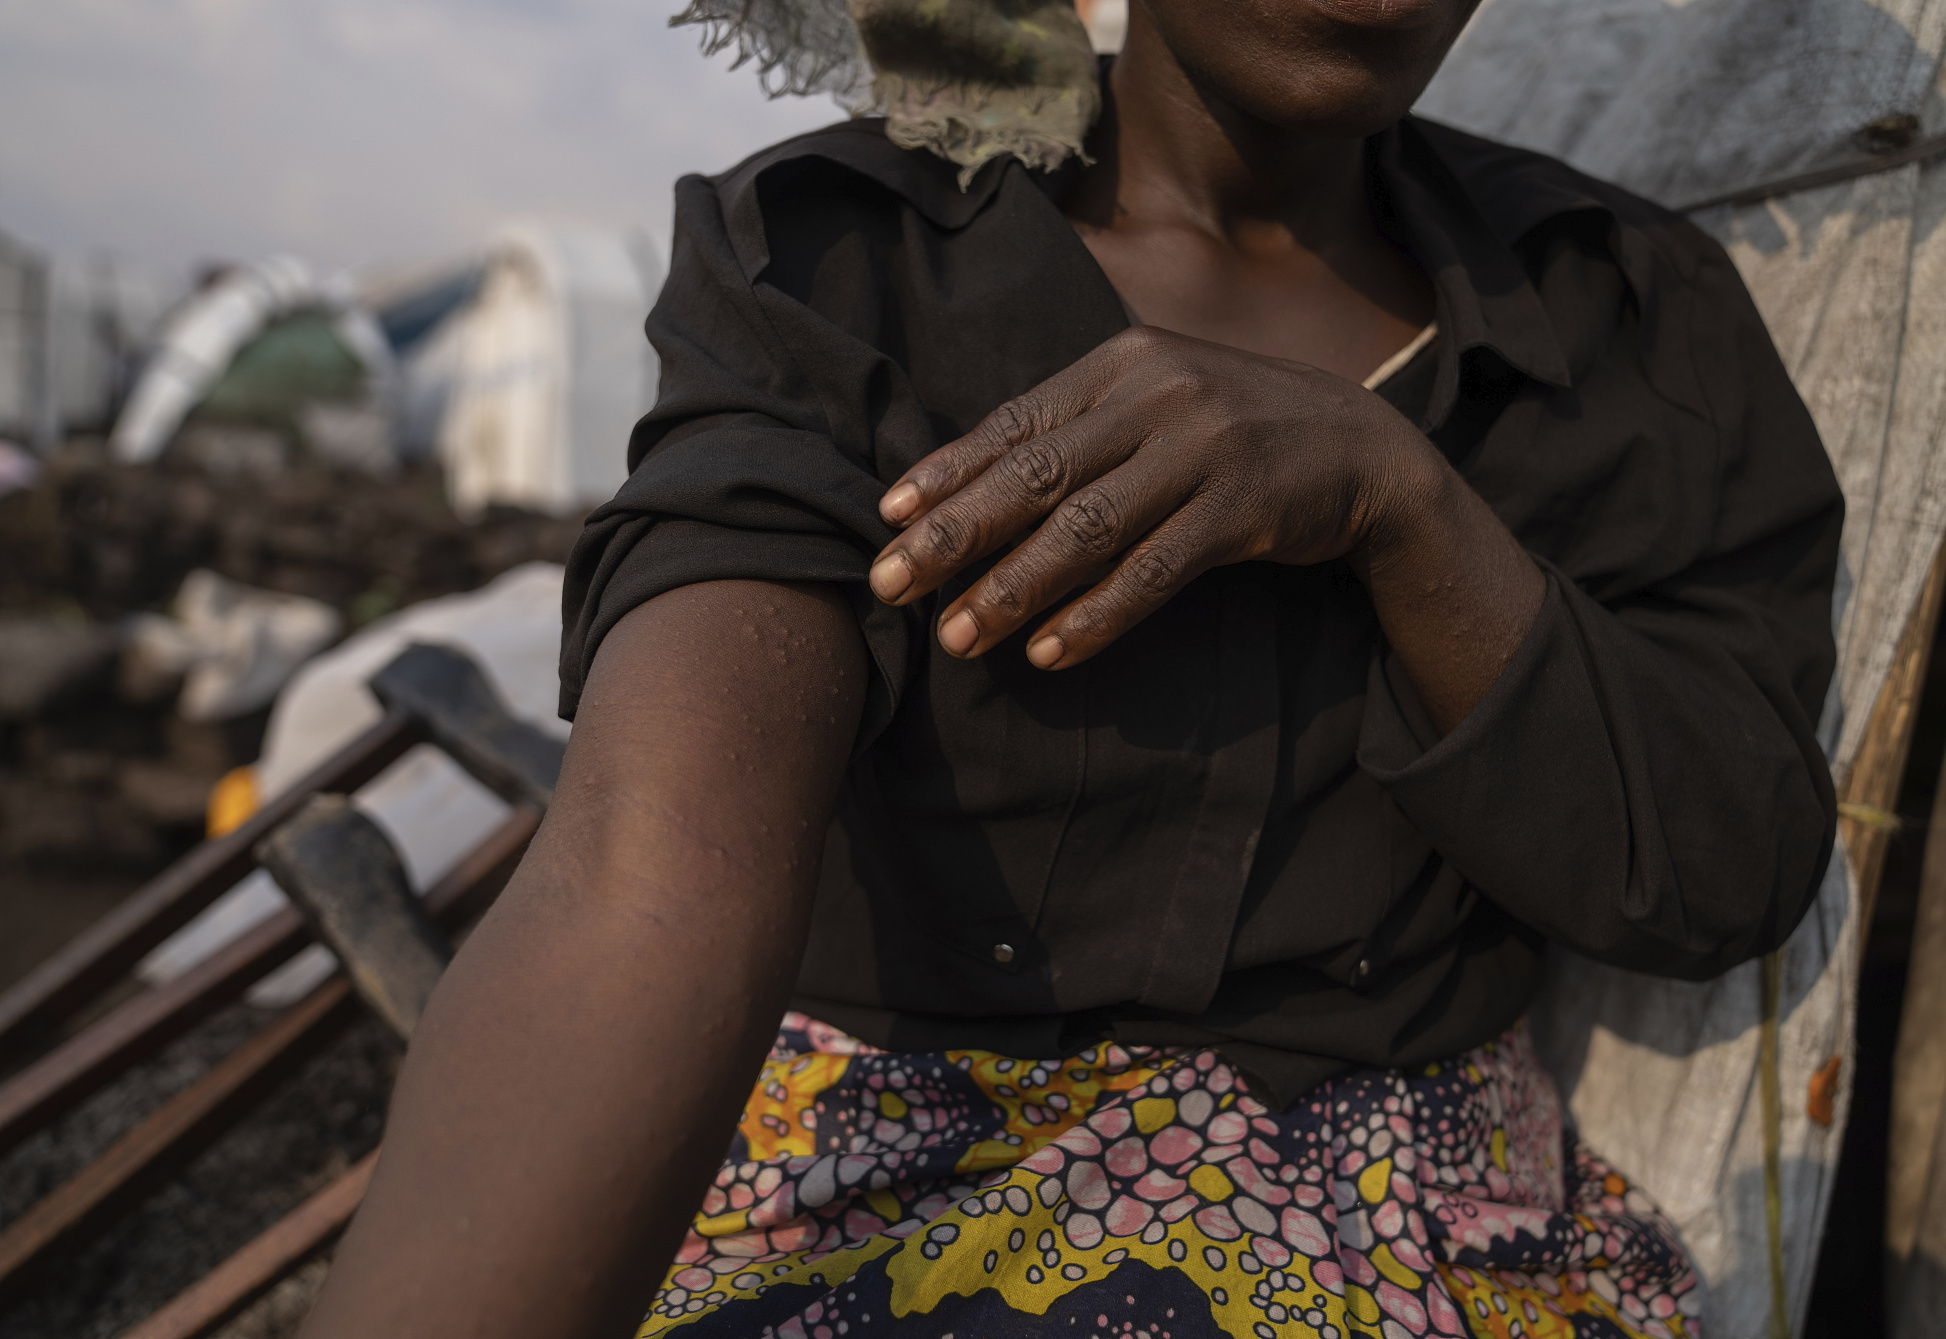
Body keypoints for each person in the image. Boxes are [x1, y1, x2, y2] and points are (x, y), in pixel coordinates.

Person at [300, 1, 1842, 1335]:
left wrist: (1400, 505)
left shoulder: (1627, 321)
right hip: (866, 1168)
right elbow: (648, 883)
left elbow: (1722, 869)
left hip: (1398, 1226)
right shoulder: (840, 265)